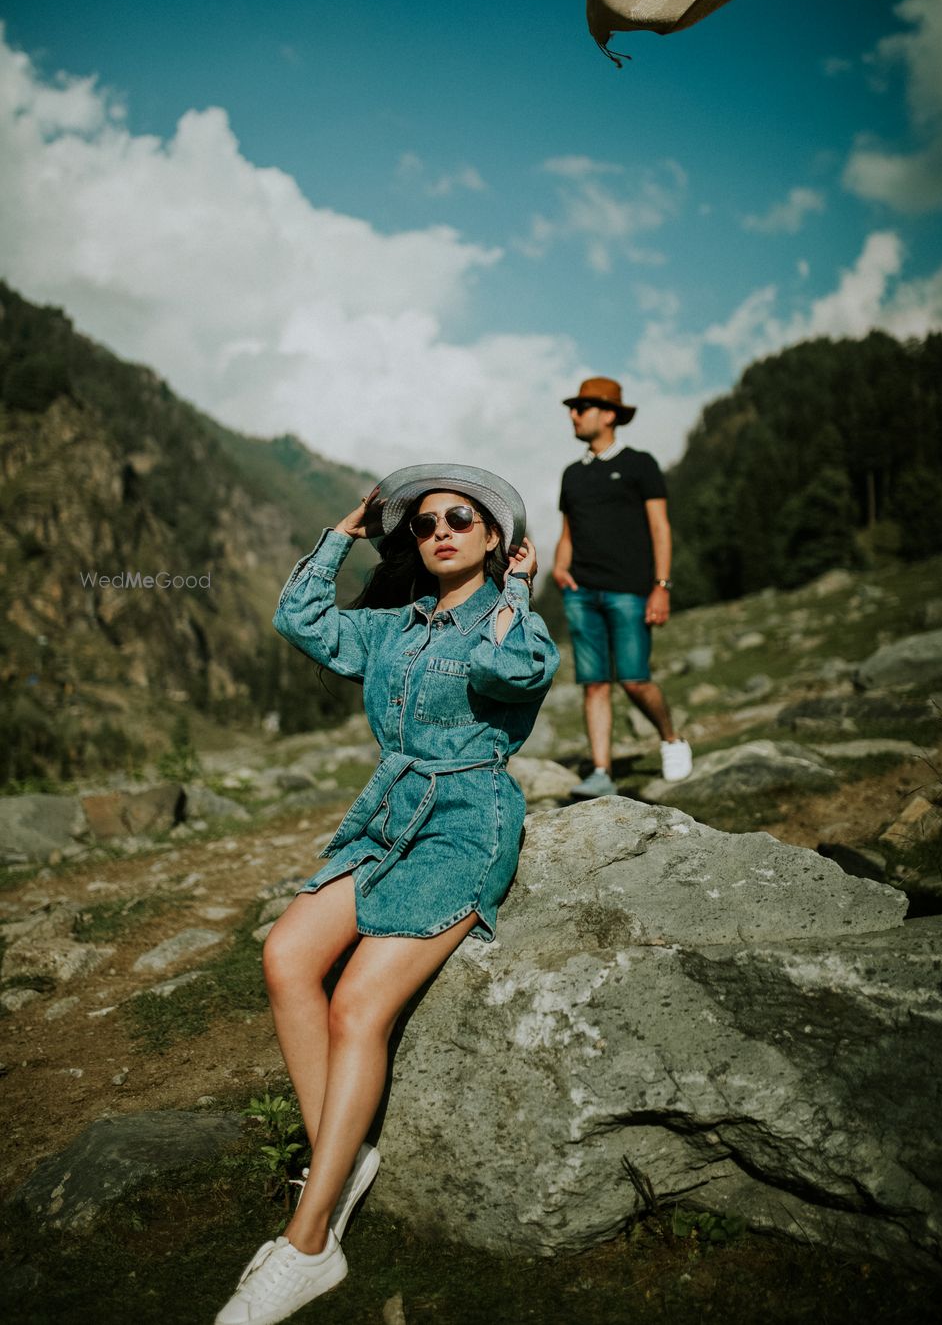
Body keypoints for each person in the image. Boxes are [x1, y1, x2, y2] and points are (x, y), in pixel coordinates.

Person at [214, 464, 559, 1325]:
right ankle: (346, 1150)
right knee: (286, 956)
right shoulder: (391, 629)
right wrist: (345, 532)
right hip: (386, 814)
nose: (440, 530)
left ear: (491, 537)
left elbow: (513, 673)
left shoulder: (513, 622)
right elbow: (299, 619)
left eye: (461, 519)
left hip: (462, 823)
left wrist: (517, 588)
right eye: (426, 521)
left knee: (355, 1009)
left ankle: (308, 1245)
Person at [553, 377, 692, 797]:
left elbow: (659, 527)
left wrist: (661, 586)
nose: (573, 415)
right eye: (573, 408)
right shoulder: (572, 474)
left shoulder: (640, 465)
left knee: (633, 679)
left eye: (582, 407)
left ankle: (671, 738)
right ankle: (601, 772)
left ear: (609, 414)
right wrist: (560, 567)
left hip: (630, 591)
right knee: (594, 683)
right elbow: (567, 531)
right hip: (582, 591)